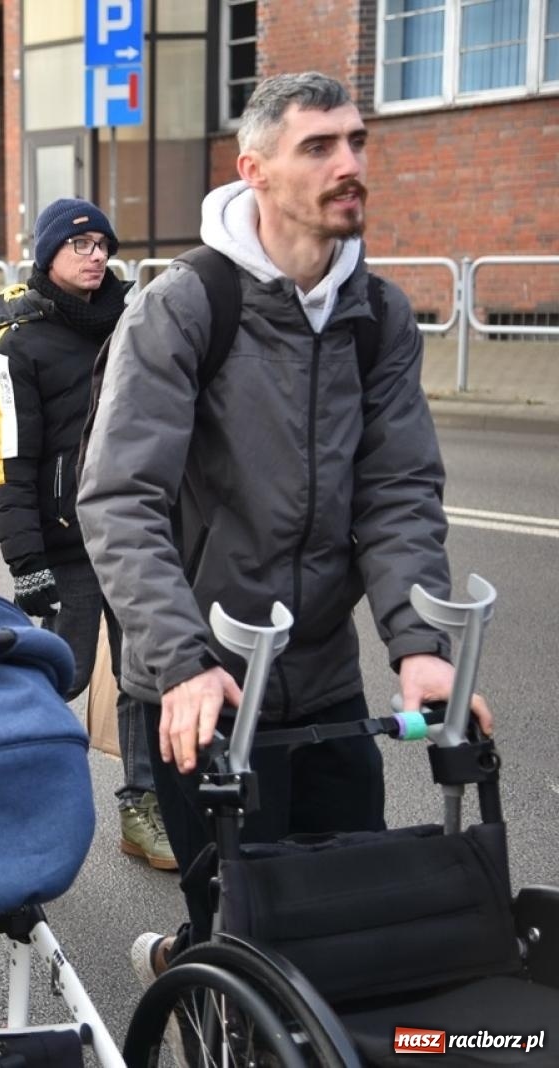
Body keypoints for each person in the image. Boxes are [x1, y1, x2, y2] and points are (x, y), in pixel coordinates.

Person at [75, 72, 493, 977]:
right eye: (320, 147)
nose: (350, 165)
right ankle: (200, 964)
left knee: (351, 920)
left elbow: (398, 491)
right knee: (246, 941)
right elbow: (120, 500)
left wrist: (420, 643)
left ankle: (197, 957)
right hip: (203, 683)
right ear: (255, 170)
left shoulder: (376, 316)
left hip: (322, 677)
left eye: (357, 142)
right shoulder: (184, 306)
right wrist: (183, 661)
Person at [0, 198, 172, 871]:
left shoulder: (135, 324)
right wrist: (26, 562)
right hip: (66, 545)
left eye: (101, 245)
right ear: (48, 252)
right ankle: (3, 793)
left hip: (138, 535)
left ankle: (143, 808)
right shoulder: (14, 343)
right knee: (65, 673)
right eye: (78, 244)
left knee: (145, 673)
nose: (94, 256)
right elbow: (9, 464)